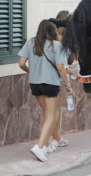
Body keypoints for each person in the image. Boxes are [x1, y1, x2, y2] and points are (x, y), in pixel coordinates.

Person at [18, 20, 70, 162]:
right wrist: (67, 84)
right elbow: (61, 67)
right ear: (52, 31)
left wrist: (30, 71)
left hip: (35, 83)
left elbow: (21, 63)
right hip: (50, 83)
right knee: (51, 115)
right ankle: (39, 147)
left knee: (47, 114)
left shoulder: (31, 42)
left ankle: (46, 145)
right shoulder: (57, 45)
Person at [49, 10, 75, 149]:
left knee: (51, 110)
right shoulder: (64, 40)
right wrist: (68, 76)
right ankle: (55, 138)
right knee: (57, 109)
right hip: (60, 77)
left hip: (47, 77)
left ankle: (53, 137)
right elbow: (64, 63)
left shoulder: (50, 37)